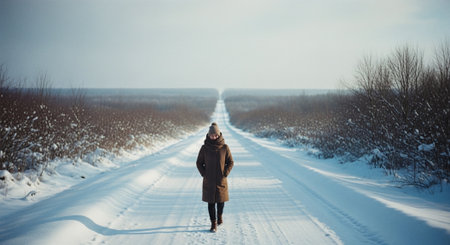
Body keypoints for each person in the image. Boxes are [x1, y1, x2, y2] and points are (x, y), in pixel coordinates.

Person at [196, 122, 234, 233]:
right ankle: (213, 223)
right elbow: (199, 163)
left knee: (221, 202)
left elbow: (230, 162)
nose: (214, 137)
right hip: (209, 180)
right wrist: (204, 174)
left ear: (219, 135)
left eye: (216, 135)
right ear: (208, 135)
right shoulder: (204, 148)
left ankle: (220, 216)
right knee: (211, 203)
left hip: (221, 180)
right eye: (212, 135)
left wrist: (225, 173)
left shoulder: (225, 148)